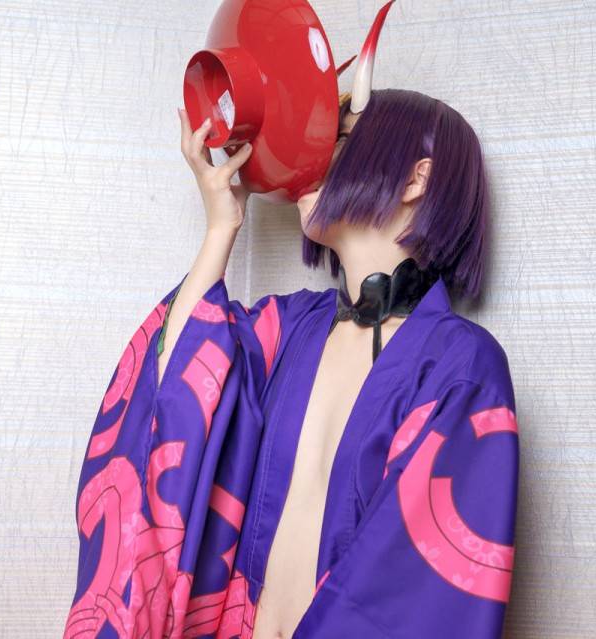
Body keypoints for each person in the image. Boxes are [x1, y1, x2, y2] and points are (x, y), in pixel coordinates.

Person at [63, 87, 519, 639]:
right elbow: (177, 390)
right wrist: (221, 226)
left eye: (341, 140)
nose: (315, 160)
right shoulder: (289, 326)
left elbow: (420, 593)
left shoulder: (462, 366)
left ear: (414, 179)